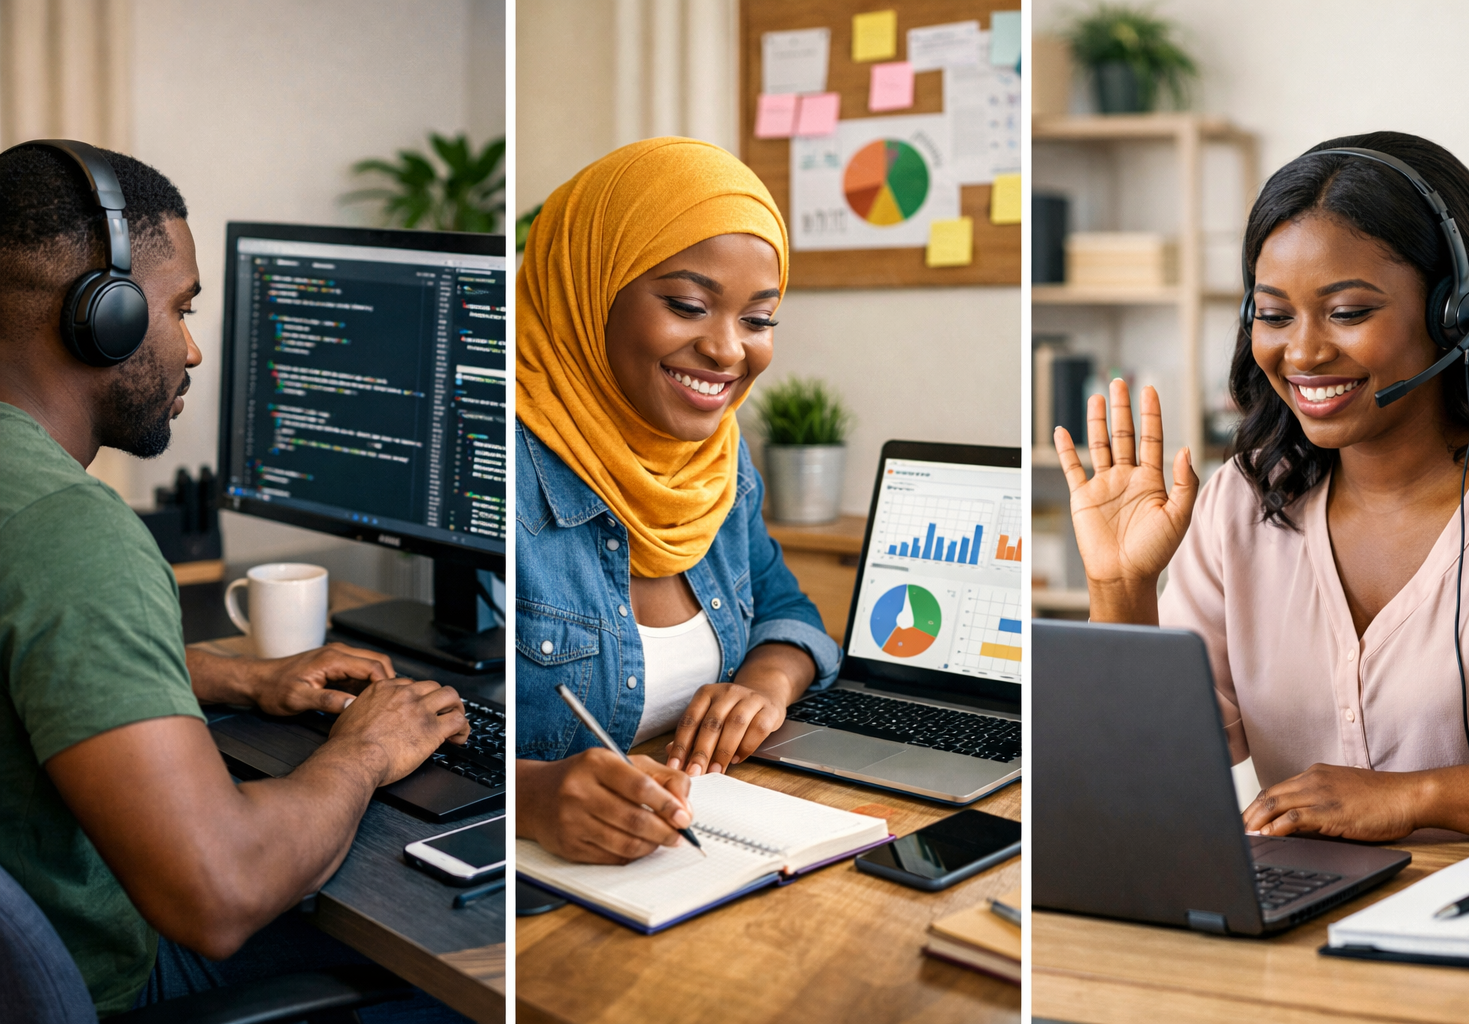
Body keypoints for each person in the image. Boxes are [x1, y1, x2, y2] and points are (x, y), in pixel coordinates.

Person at [0, 143, 471, 1019]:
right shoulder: (68, 528)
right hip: (108, 987)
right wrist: (364, 753)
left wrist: (236, 675)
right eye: (179, 307)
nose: (191, 348)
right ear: (99, 315)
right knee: (469, 959)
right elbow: (218, 893)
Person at [1055, 131, 1469, 843]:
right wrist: (1120, 589)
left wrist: (1413, 797)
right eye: (1274, 315)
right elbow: (1142, 775)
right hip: (1297, 931)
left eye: (1347, 312)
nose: (1304, 353)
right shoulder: (1240, 507)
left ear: (1454, 315)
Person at [514, 137, 841, 865]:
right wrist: (529, 798)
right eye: (689, 306)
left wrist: (764, 683)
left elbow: (789, 610)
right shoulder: (496, 467)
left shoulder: (717, 460)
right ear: (590, 289)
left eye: (757, 320)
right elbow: (413, 722)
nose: (728, 351)